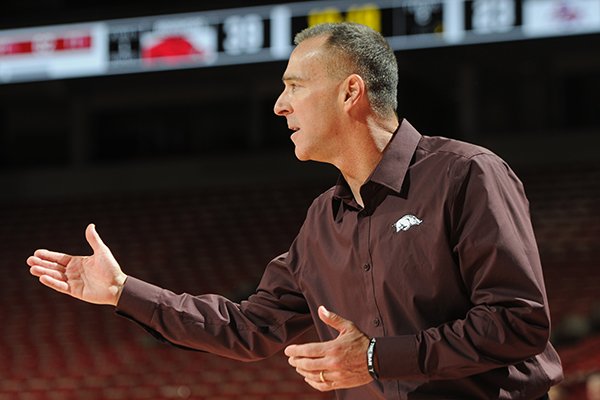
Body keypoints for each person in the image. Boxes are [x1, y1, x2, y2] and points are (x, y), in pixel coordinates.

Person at [27, 22, 563, 399]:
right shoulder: (321, 220)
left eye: (293, 86)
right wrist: (124, 291)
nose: (280, 104)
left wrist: (377, 358)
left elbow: (518, 323)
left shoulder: (466, 174)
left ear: (350, 92)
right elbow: (248, 326)